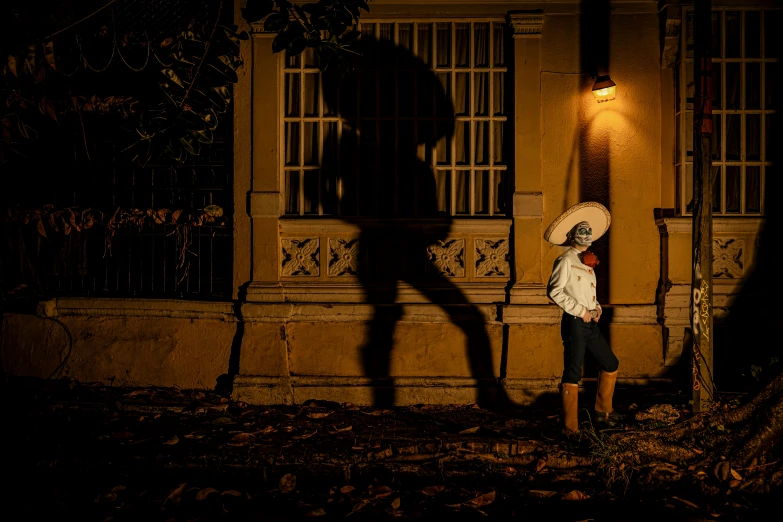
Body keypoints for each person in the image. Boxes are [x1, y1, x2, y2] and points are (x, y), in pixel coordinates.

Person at [544, 202, 622, 435]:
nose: (587, 234)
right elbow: (554, 291)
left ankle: (602, 412)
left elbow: (588, 293)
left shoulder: (587, 262)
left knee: (610, 363)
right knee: (573, 371)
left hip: (590, 323)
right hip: (575, 323)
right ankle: (570, 429)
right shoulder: (566, 260)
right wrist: (581, 311)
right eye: (582, 230)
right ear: (571, 235)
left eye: (589, 231)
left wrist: (596, 308)